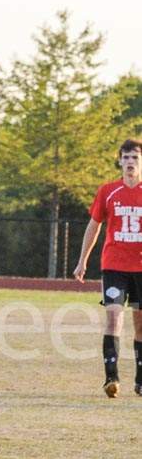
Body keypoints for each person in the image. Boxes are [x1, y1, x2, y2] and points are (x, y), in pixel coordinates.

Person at [73, 139, 142, 398]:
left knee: (140, 323)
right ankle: (111, 379)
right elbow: (94, 225)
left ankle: (140, 380)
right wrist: (82, 260)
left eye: (135, 158)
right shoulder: (108, 191)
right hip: (114, 266)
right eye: (125, 158)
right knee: (114, 316)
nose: (130, 163)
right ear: (120, 161)